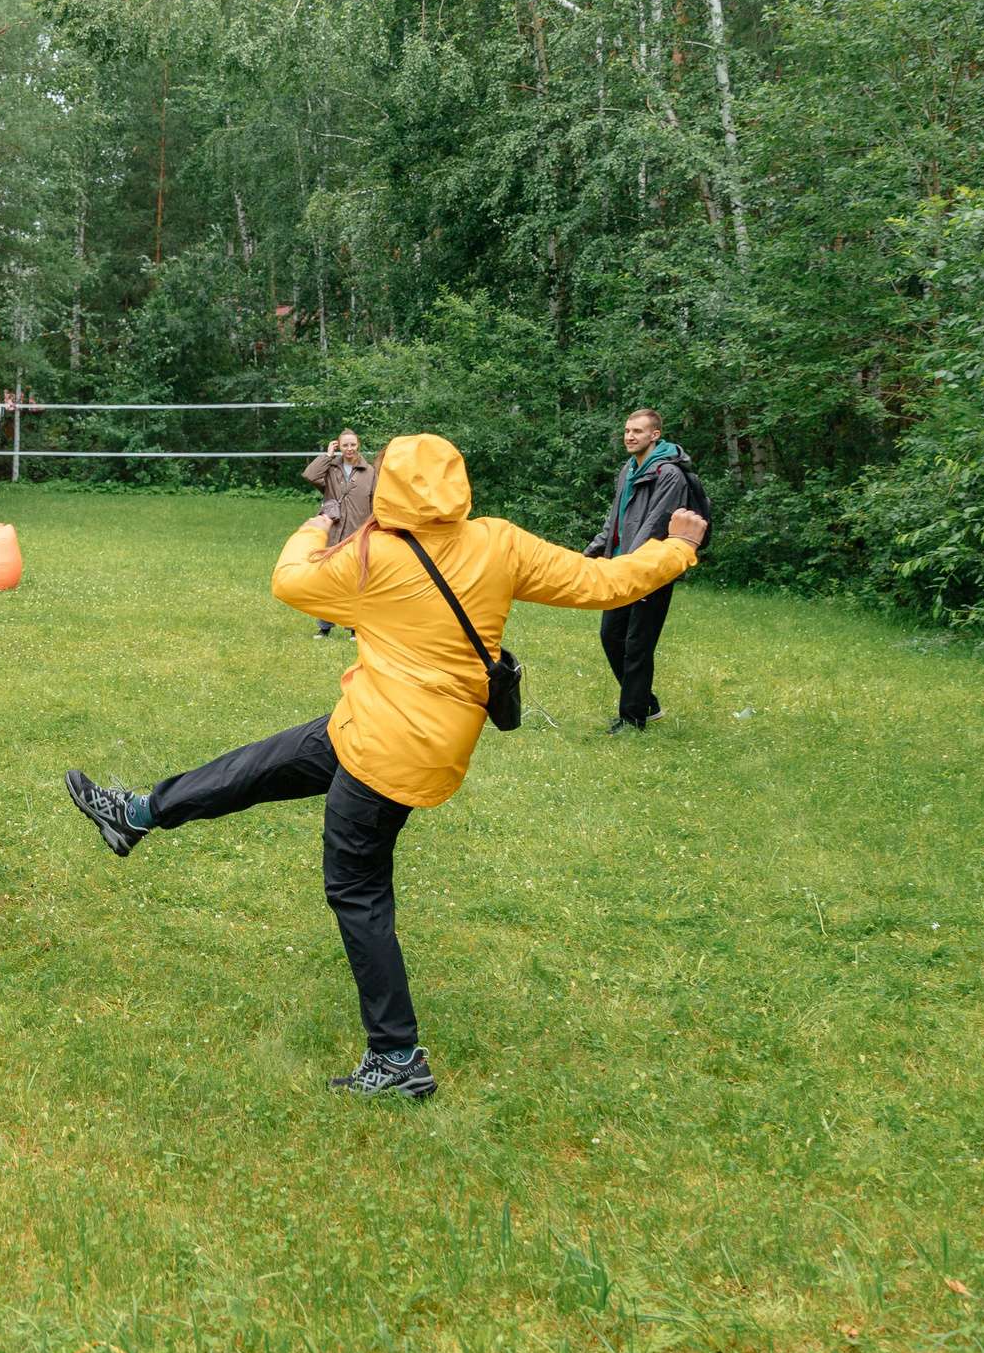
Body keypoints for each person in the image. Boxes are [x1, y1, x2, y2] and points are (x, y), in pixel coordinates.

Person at [62, 433, 706, 1099]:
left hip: (387, 755)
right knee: (258, 765)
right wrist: (676, 547)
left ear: (388, 486)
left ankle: (398, 1059)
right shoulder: (497, 543)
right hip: (375, 725)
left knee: (357, 891)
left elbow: (290, 581)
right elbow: (602, 582)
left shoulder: (370, 559)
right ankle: (135, 815)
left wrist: (312, 529)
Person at [583, 408, 697, 734]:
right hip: (623, 570)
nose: (630, 436)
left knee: (637, 645)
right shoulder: (628, 469)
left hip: (652, 571)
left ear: (654, 435)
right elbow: (614, 521)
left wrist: (629, 565)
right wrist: (591, 552)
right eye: (627, 430)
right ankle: (647, 704)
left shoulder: (669, 475)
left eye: (638, 431)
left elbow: (654, 526)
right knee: (611, 636)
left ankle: (633, 719)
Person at [301, 431, 375, 639]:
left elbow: (375, 503)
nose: (349, 449)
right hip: (332, 531)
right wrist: (327, 456)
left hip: (357, 532)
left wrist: (371, 530)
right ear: (338, 447)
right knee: (327, 579)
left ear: (358, 445)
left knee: (354, 579)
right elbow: (309, 475)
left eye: (352, 445)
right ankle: (324, 627)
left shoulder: (369, 472)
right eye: (344, 445)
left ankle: (353, 627)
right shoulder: (331, 469)